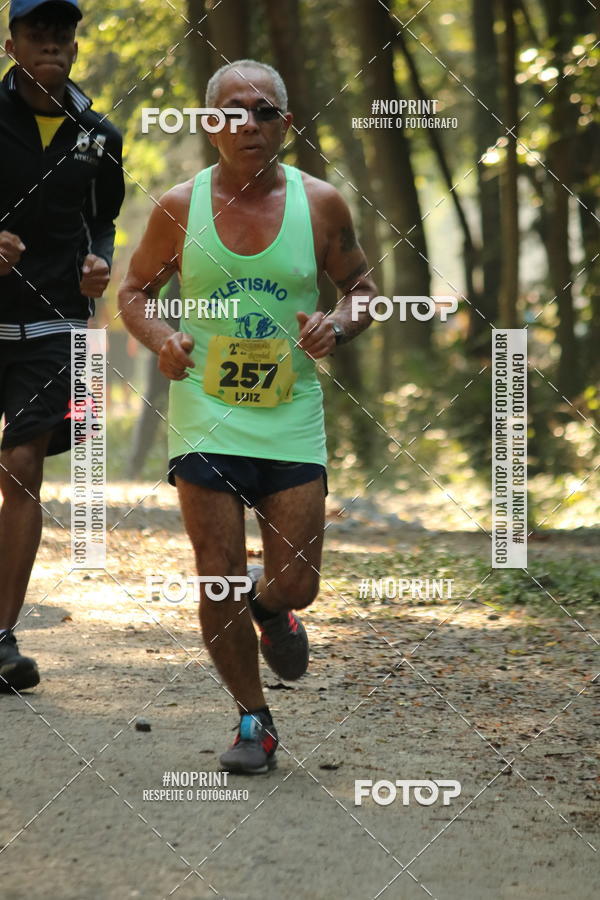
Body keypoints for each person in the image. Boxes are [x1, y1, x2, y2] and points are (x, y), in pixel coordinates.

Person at [119, 59, 376, 774]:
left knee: (297, 581)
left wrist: (338, 324)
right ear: (210, 124)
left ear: (285, 126)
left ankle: (273, 610)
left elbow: (362, 287)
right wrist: (163, 337)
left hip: (289, 410)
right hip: (205, 408)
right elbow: (134, 291)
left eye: (265, 111)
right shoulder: (178, 206)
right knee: (218, 572)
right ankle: (252, 720)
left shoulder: (321, 204)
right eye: (234, 110)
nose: (249, 124)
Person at [0, 0, 124, 692]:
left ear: (75, 45)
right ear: (12, 41)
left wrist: (98, 264)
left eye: (62, 34)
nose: (51, 44)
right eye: (37, 33)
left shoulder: (98, 135)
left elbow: (103, 221)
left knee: (20, 465)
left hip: (54, 324)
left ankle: (0, 637)